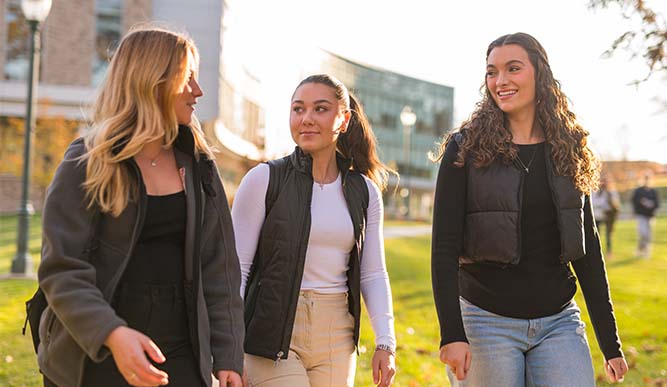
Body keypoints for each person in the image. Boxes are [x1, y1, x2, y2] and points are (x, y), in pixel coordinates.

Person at [37, 26, 244, 387]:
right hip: (96, 349)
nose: (198, 91)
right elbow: (62, 269)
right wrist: (113, 334)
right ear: (154, 81)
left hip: (180, 350)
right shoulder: (87, 160)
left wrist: (227, 357)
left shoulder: (199, 164)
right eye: (188, 78)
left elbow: (219, 269)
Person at [431, 32, 628, 386]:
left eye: (513, 69)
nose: (500, 81)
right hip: (485, 320)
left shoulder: (568, 149)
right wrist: (452, 333)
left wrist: (609, 343)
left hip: (558, 322)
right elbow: (443, 248)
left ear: (540, 72)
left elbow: (588, 252)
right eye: (492, 72)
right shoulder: (465, 149)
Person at [231, 74, 397, 387]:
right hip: (271, 331)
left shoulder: (364, 192)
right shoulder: (263, 180)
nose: (306, 119)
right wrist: (229, 344)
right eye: (298, 109)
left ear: (344, 119)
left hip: (337, 335)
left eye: (320, 109)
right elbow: (237, 268)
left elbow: (374, 274)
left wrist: (385, 342)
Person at [631, 172, 661, 258]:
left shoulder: (653, 191)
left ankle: (646, 251)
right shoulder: (638, 191)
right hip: (641, 215)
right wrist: (642, 203)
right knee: (643, 233)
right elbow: (634, 202)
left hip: (650, 216)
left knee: (648, 235)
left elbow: (657, 204)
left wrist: (651, 204)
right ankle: (640, 249)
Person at [592, 176, 621, 258]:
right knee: (597, 235)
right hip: (597, 216)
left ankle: (609, 252)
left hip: (608, 216)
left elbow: (616, 205)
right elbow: (594, 203)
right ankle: (597, 252)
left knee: (608, 235)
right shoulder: (596, 192)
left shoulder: (612, 192)